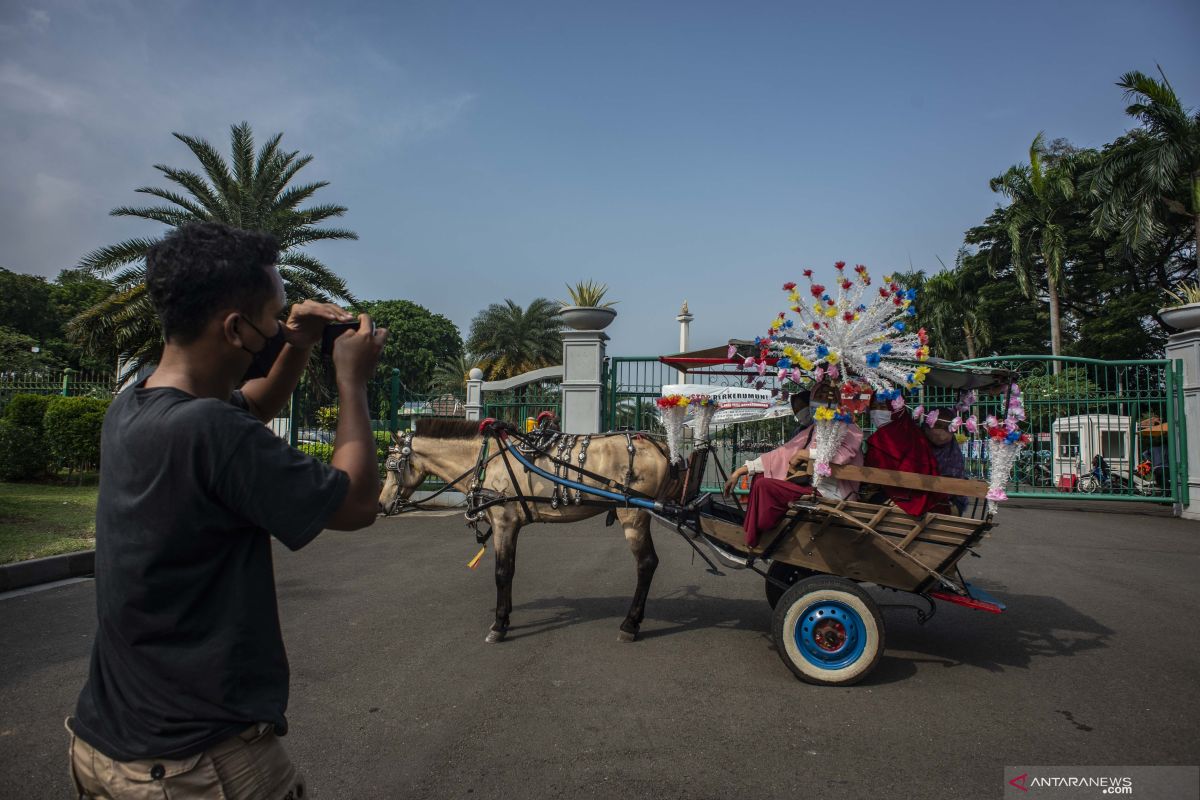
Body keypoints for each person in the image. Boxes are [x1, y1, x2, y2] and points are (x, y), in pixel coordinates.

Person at [66, 222, 388, 799]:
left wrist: (296, 343)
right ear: (237, 330)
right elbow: (359, 502)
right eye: (274, 315)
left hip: (107, 744)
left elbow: (255, 403)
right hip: (195, 764)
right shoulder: (210, 430)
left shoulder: (138, 401)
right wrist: (352, 382)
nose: (279, 325)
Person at [723, 381, 863, 546]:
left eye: (829, 396)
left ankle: (758, 535)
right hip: (810, 486)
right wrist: (740, 471)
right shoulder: (813, 429)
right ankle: (753, 530)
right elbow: (781, 454)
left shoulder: (847, 425)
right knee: (760, 478)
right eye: (819, 396)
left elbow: (843, 455)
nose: (824, 400)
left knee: (765, 486)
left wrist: (807, 454)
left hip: (831, 491)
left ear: (838, 400)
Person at [862, 393, 945, 516]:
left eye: (883, 407)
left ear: (897, 409)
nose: (876, 411)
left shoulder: (887, 436)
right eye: (874, 406)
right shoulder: (911, 430)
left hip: (905, 497)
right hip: (914, 494)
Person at [923, 407, 968, 514]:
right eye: (937, 426)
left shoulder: (953, 452)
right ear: (926, 425)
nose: (941, 432)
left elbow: (959, 489)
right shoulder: (916, 445)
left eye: (947, 427)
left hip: (949, 502)